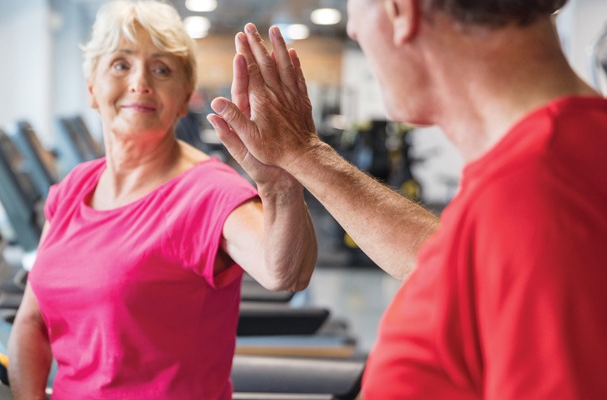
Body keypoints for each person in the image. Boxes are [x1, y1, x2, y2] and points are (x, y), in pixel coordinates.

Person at [208, 0, 607, 398]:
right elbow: (458, 262)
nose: (353, 31)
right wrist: (302, 155)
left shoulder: (540, 198)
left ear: (400, 11)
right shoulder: (550, 171)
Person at [6, 1, 317, 399]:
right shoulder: (72, 190)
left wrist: (281, 183)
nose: (140, 82)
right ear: (92, 89)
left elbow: (285, 273)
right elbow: (31, 324)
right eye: (120, 64)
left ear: (186, 95)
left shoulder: (208, 191)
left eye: (161, 69)